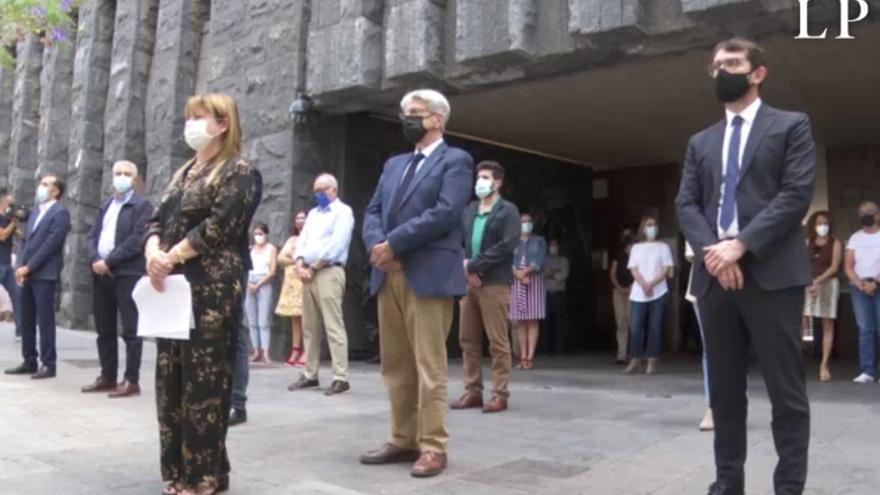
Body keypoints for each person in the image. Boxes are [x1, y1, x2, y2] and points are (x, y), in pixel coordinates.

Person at [676, 38, 815, 495]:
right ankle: (727, 484)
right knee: (725, 393)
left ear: (758, 73)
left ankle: (788, 487)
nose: (721, 72)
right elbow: (687, 204)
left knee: (785, 392)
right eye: (716, 66)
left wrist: (742, 246)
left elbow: (795, 195)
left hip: (772, 275)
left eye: (732, 64)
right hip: (715, 278)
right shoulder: (701, 141)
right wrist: (717, 254)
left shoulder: (791, 126)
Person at [144, 92, 255, 495]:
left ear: (222, 123)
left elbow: (218, 226)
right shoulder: (184, 172)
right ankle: (178, 471)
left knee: (203, 386)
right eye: (189, 116)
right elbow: (155, 219)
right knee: (170, 380)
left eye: (200, 116)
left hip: (211, 289)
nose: (191, 123)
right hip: (171, 287)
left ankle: (203, 476)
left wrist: (170, 257)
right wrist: (153, 251)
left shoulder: (239, 171)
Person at [360, 89, 472, 478]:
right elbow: (372, 209)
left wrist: (395, 243)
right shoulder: (394, 164)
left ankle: (433, 446)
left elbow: (445, 212)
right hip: (387, 273)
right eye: (404, 112)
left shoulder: (456, 160)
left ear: (437, 119)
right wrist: (378, 244)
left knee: (429, 366)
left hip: (426, 274)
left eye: (415, 113)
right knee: (396, 365)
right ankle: (403, 438)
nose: (406, 119)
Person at [451, 160, 519, 414]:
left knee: (498, 342)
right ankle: (472, 391)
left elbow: (505, 246)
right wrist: (465, 268)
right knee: (467, 339)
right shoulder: (469, 210)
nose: (480, 182)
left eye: (486, 177)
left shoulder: (507, 211)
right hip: (469, 283)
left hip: (494, 283)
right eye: (479, 177)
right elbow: (458, 241)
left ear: (498, 182)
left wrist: (474, 266)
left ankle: (500, 394)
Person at [81, 161, 154, 398]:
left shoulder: (142, 206)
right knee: (104, 329)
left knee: (131, 329)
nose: (121, 177)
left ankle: (131, 380)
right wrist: (95, 259)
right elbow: (92, 236)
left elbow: (136, 240)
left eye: (127, 174)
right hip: (100, 273)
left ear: (134, 178)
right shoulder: (106, 205)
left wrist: (109, 261)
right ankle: (108, 376)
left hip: (126, 273)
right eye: (118, 173)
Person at [287, 173, 355, 396]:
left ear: (334, 190)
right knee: (310, 326)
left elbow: (337, 244)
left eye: (322, 190)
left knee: (333, 325)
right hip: (307, 273)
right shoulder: (314, 215)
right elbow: (302, 241)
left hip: (328, 271)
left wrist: (313, 267)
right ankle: (310, 373)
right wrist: (299, 264)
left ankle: (340, 376)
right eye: (315, 191)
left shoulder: (343, 212)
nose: (318, 195)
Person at [4, 175, 71, 380]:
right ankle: (29, 360)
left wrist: (29, 267)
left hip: (44, 273)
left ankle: (48, 364)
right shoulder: (35, 212)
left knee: (44, 319)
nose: (41, 187)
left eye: (46, 184)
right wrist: (20, 266)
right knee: (26, 317)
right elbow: (26, 241)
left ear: (56, 191)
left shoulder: (60, 213)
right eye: (41, 183)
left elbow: (51, 244)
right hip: (26, 271)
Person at [229, 165, 263, 427]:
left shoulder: (244, 173)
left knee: (235, 333)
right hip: (195, 268)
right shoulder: (189, 172)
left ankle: (236, 403)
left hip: (230, 265)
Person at [623, 215, 673, 375]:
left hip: (659, 291)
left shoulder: (663, 247)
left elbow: (666, 269)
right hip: (639, 293)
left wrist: (652, 284)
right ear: (643, 229)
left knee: (655, 327)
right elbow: (633, 269)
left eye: (654, 225)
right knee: (635, 327)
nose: (652, 228)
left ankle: (652, 361)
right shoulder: (636, 248)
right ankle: (635, 359)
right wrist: (644, 284)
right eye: (649, 225)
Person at [803, 211, 842, 382]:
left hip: (827, 284)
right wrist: (810, 282)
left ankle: (824, 365)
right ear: (813, 225)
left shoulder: (836, 243)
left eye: (825, 223)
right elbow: (802, 263)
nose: (822, 226)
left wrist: (818, 281)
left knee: (827, 324)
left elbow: (834, 267)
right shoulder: (807, 242)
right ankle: (797, 363)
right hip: (808, 284)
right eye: (819, 223)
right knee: (801, 323)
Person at [844, 201, 880, 384]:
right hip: (859, 288)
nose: (865, 214)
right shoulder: (855, 238)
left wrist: (875, 282)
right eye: (862, 212)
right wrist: (860, 284)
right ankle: (867, 371)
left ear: (877, 215)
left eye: (869, 212)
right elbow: (848, 266)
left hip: (878, 285)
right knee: (865, 329)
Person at [510, 213, 547, 370]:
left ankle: (530, 357)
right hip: (516, 281)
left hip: (534, 280)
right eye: (523, 221)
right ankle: (522, 356)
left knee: (532, 319)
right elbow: (508, 261)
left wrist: (525, 272)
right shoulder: (513, 241)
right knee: (520, 321)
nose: (526, 224)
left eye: (529, 221)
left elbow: (540, 260)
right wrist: (518, 275)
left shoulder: (539, 240)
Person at [686, 242, 714, 432]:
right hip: (705, 283)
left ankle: (736, 403)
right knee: (711, 350)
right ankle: (712, 407)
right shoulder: (695, 211)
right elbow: (695, 251)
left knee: (737, 348)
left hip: (741, 281)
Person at [276, 210, 307, 367]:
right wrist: (296, 260)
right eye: (298, 218)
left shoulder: (311, 238)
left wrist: (296, 260)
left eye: (303, 218)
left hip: (305, 280)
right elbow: (280, 258)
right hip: (291, 283)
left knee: (307, 316)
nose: (300, 221)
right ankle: (295, 349)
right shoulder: (292, 239)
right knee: (295, 317)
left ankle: (307, 350)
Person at [245, 222, 277, 364]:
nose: (258, 236)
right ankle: (256, 351)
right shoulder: (250, 249)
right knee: (252, 320)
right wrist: (249, 284)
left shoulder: (271, 249)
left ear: (266, 234)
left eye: (260, 234)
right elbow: (244, 268)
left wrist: (258, 284)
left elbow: (272, 271)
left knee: (263, 320)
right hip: (249, 282)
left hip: (263, 283)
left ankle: (266, 352)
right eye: (256, 234)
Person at [609, 228, 635, 364]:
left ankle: (634, 354)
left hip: (634, 292)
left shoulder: (637, 253)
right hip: (618, 292)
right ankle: (621, 355)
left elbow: (639, 271)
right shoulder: (617, 254)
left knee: (633, 322)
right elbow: (612, 273)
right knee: (621, 323)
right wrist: (620, 288)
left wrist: (631, 287)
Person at [0, 190, 22, 339]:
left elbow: (20, 236)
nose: (12, 207)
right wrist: (13, 224)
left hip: (6, 264)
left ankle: (20, 330)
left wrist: (16, 222)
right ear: (2, 203)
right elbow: (2, 236)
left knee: (17, 294)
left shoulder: (9, 220)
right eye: (10, 204)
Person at [545, 238, 570, 355]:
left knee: (559, 321)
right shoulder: (544, 260)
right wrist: (555, 272)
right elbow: (542, 274)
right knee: (547, 321)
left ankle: (560, 348)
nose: (553, 247)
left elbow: (564, 274)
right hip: (546, 293)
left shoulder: (564, 260)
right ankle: (547, 347)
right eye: (551, 245)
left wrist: (551, 273)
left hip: (559, 293)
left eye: (555, 245)